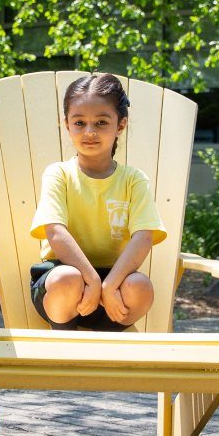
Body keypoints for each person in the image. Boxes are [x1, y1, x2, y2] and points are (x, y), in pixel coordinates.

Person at [28, 73, 165, 331]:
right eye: (79, 122)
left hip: (114, 283)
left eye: (102, 122)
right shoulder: (59, 174)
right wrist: (90, 279)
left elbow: (143, 236)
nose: (90, 132)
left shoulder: (133, 180)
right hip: (61, 282)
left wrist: (108, 285)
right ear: (67, 125)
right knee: (68, 278)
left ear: (120, 125)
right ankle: (65, 346)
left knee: (140, 287)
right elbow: (55, 232)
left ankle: (106, 348)